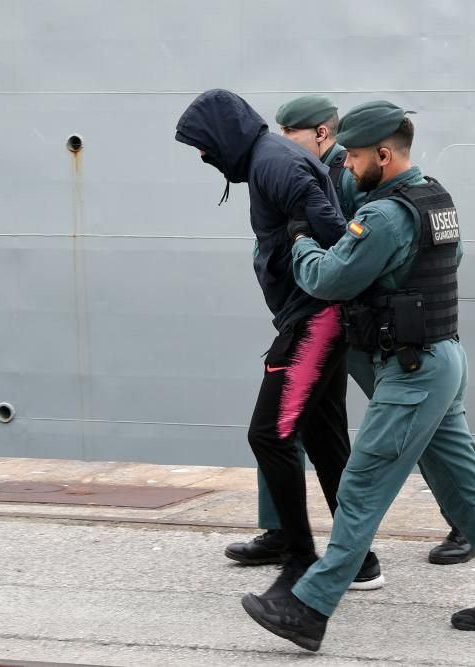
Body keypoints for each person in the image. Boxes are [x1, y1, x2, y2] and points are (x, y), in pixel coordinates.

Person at [241, 100, 475, 652]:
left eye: (353, 157)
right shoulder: (433, 197)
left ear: (383, 154)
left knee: (361, 486)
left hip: (410, 370)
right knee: (464, 485)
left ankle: (307, 606)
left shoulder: (385, 217)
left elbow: (328, 278)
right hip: (442, 358)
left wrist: (301, 239)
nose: (347, 167)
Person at [226, 94, 475, 568]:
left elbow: (399, 242)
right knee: (295, 420)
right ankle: (281, 528)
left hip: (359, 326)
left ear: (321, 134)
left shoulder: (347, 176)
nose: (282, 143)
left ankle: (460, 523)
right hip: (334, 322)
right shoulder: (308, 172)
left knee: (419, 427)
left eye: (290, 133)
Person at [174, 89, 383, 596]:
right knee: (324, 438)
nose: (202, 157)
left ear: (224, 136)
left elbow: (338, 236)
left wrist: (305, 256)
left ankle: (298, 558)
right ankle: (360, 561)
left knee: (269, 434)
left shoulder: (276, 165)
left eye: (203, 146)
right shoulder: (272, 160)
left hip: (314, 322)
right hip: (318, 316)